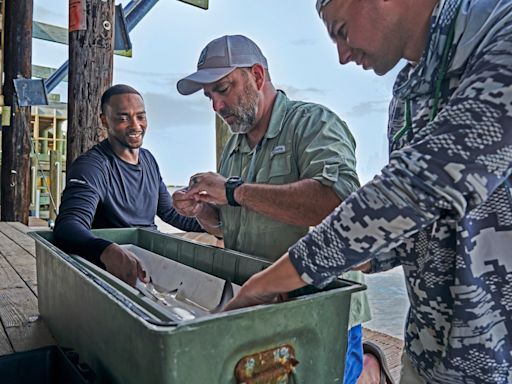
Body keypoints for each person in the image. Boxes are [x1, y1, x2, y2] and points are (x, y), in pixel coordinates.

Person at [225, 0, 512, 383]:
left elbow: (423, 184)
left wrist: (275, 279)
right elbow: (415, 228)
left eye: (342, 30)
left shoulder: (500, 29)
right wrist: (345, 265)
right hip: (428, 355)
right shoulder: (406, 98)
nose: (342, 56)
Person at [173, 35, 377, 384]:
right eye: (210, 97)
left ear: (257, 75)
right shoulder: (234, 146)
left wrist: (235, 191)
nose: (217, 106)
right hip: (258, 311)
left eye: (223, 89)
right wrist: (206, 213)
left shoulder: (314, 124)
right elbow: (235, 225)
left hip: (319, 314)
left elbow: (340, 204)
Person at [54, 84, 203, 286]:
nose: (135, 125)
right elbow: (68, 227)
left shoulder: (148, 159)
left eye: (140, 116)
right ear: (104, 120)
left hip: (153, 256)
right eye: (123, 118)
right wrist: (107, 251)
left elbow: (169, 213)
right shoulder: (92, 166)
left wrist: (214, 223)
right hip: (114, 268)